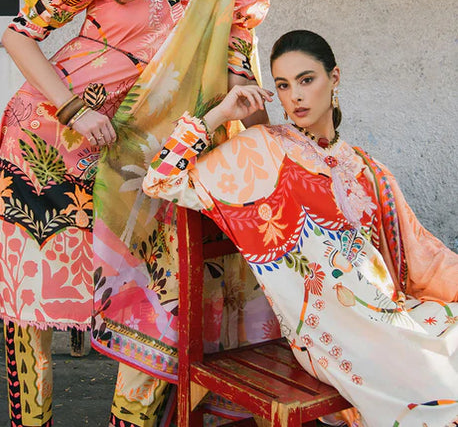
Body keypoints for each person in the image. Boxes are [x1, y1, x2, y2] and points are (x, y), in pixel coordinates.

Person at [0, 0, 274, 427]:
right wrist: (74, 109)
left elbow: (238, 75)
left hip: (155, 161)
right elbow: (19, 35)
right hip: (51, 146)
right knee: (34, 307)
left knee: (161, 308)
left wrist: (262, 121)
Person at [143, 29, 458, 427]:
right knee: (438, 391)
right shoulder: (259, 151)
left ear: (334, 77)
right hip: (335, 338)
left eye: (306, 80)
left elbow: (425, 258)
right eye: (283, 85)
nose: (295, 96)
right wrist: (220, 114)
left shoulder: (365, 167)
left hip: (391, 316)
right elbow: (160, 179)